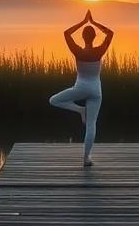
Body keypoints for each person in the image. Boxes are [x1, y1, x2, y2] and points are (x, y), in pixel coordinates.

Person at [48, 9, 114, 166]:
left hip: (80, 89)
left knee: (53, 100)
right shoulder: (99, 51)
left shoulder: (77, 51)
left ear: (83, 37)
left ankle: (79, 110)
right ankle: (86, 159)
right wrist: (94, 22)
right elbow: (110, 33)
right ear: (94, 37)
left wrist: (84, 22)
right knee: (91, 125)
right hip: (96, 92)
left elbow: (66, 33)